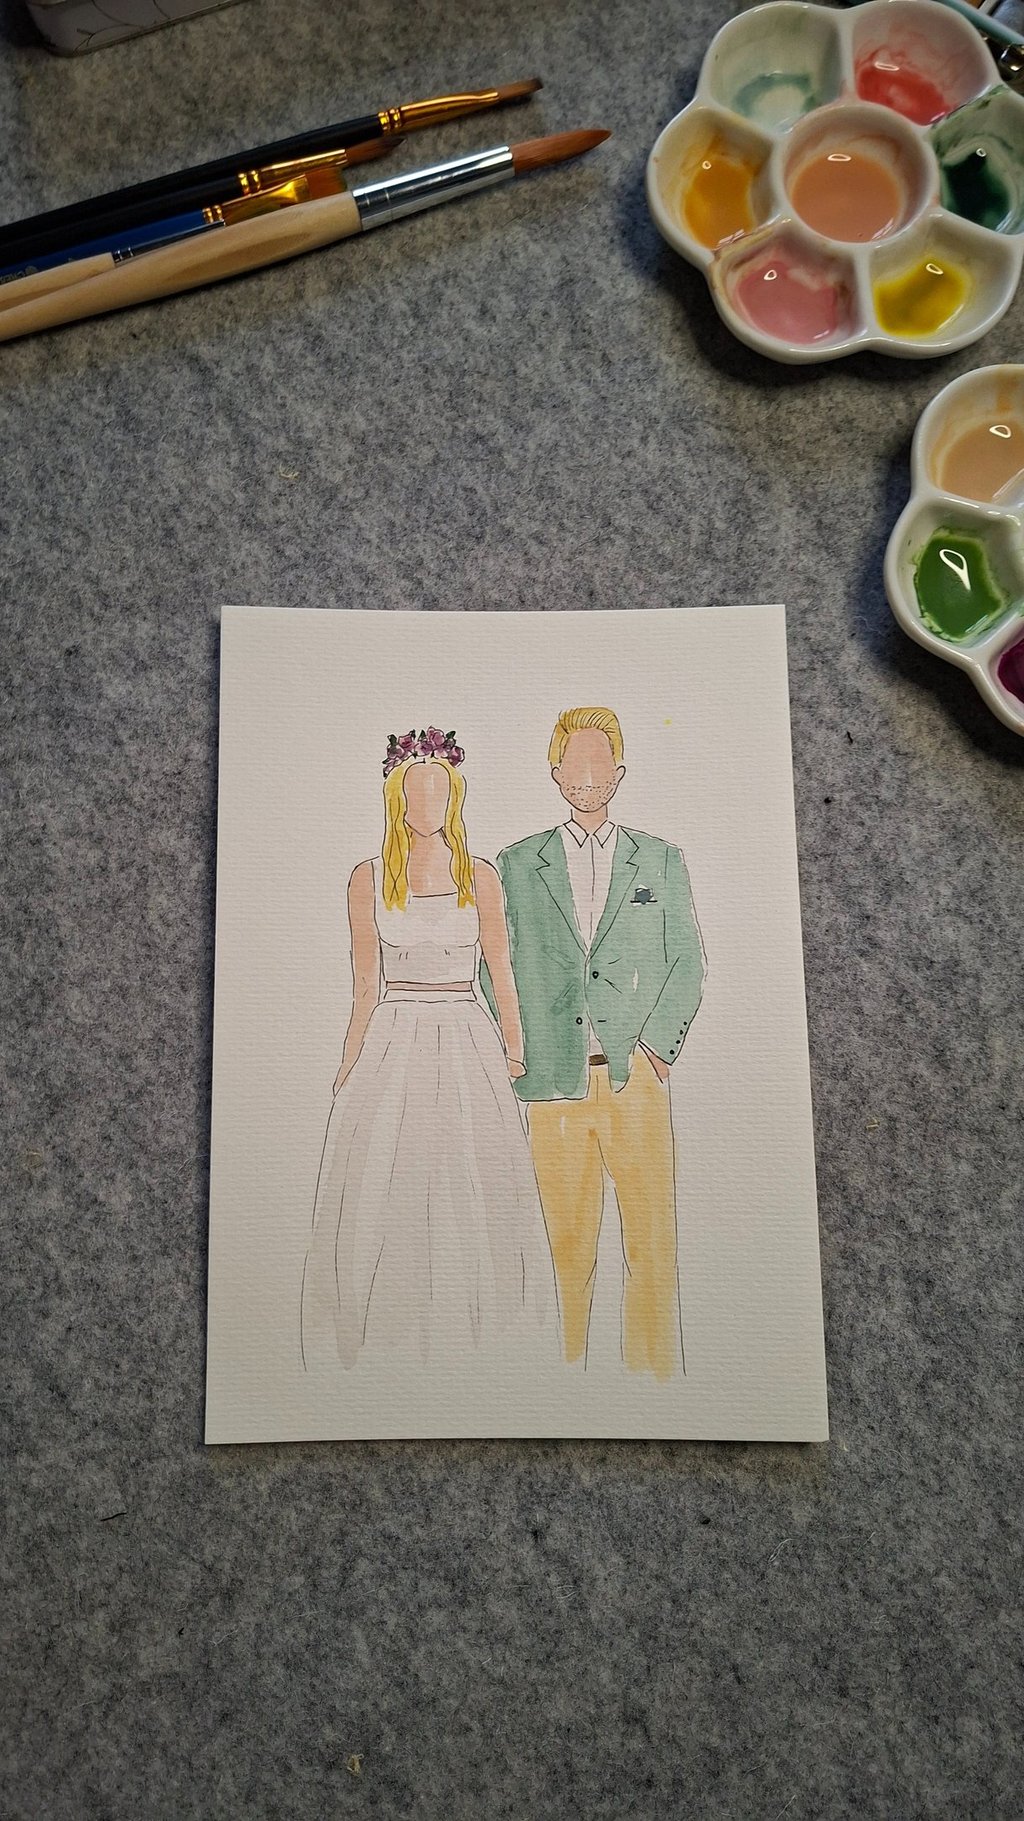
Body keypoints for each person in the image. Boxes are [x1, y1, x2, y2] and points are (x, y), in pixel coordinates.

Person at [301, 727, 558, 1370]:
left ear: (454, 798)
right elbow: (365, 985)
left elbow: (501, 971)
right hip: (394, 1038)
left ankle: (482, 1342)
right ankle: (387, 1339)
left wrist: (515, 1049)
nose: (426, 804)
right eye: (414, 793)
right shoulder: (366, 879)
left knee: (473, 1178)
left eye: (438, 792)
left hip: (467, 1036)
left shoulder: (482, 876)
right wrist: (347, 1064)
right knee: (387, 1181)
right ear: (396, 800)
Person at [482, 707, 705, 1380]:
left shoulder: (659, 859)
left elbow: (687, 961)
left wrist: (657, 1050)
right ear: (555, 773)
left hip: (634, 1081)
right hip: (553, 1085)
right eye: (573, 764)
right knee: (564, 1248)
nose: (586, 775)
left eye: (599, 763)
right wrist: (517, 1047)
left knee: (650, 1245)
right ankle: (564, 1380)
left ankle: (654, 1378)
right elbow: (491, 966)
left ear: (620, 771)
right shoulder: (515, 864)